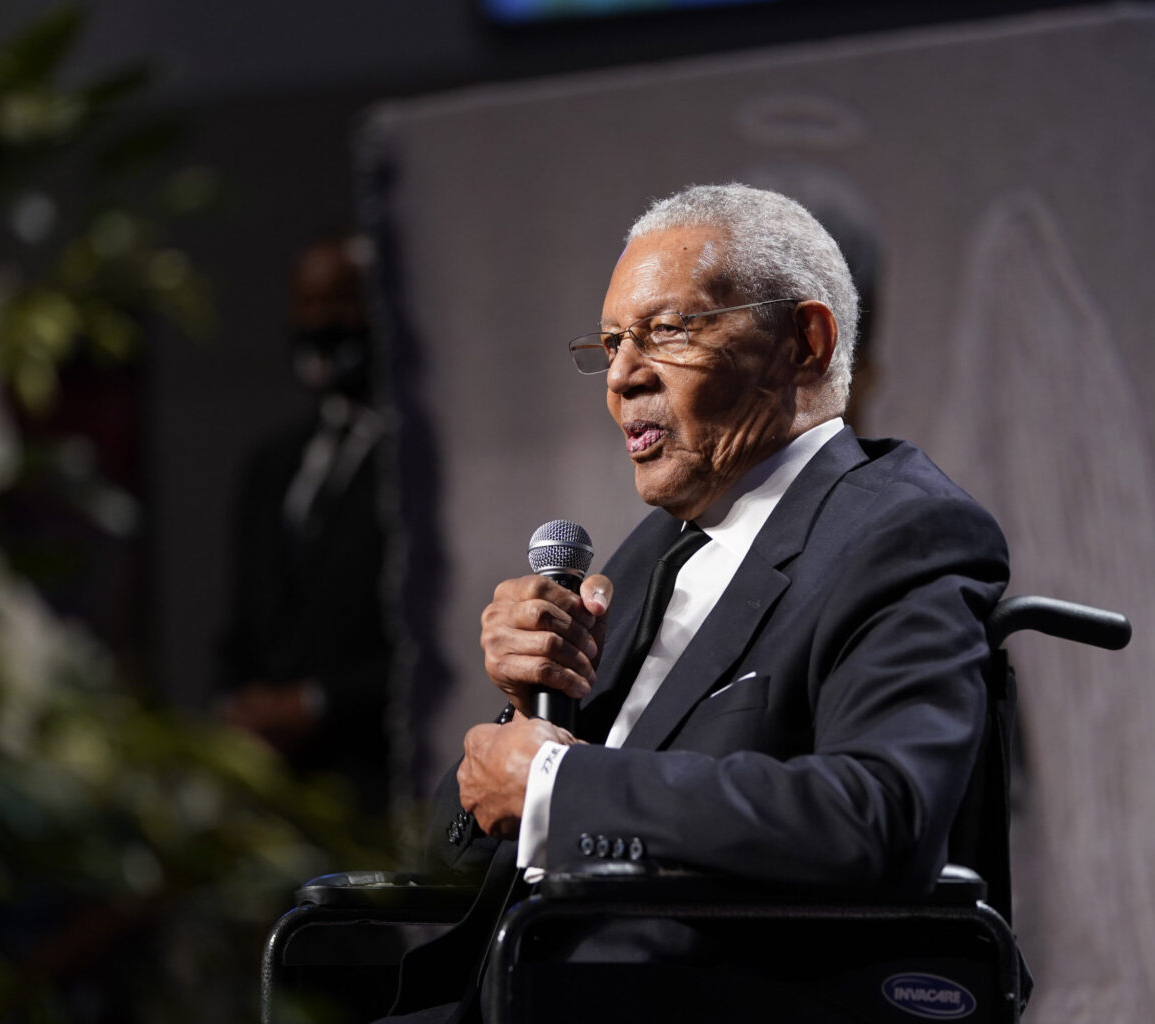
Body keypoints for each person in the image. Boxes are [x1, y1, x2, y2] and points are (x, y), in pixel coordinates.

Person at [391, 183, 1007, 1019]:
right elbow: (452, 865)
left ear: (804, 343)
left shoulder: (901, 532)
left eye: (666, 331)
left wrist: (552, 787)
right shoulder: (651, 555)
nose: (621, 377)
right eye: (609, 343)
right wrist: (519, 719)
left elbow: (876, 817)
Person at [215, 235, 394, 822]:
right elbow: (246, 621)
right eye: (307, 306)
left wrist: (315, 705)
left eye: (341, 302)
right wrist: (243, 712)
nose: (321, 323)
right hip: (269, 795)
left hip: (375, 786)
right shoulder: (270, 464)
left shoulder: (417, 468)